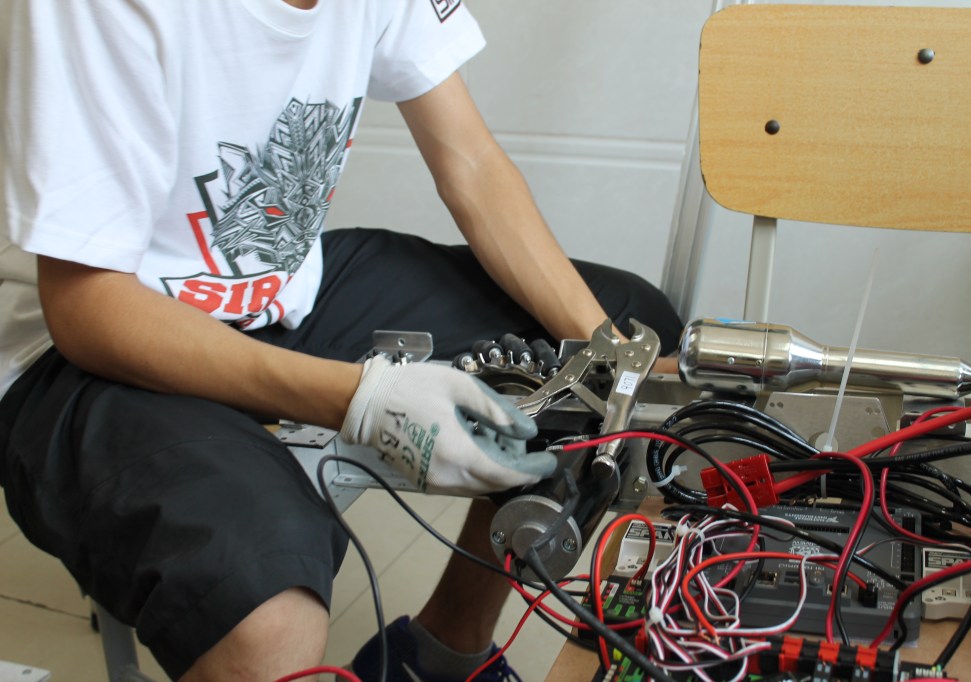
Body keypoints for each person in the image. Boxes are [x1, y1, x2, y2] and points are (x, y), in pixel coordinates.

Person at [0, 1, 683, 680]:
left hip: (278, 294)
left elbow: (470, 161)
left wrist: (608, 358)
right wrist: (363, 397)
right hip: (95, 345)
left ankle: (439, 657)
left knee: (628, 326)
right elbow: (85, 306)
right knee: (271, 620)